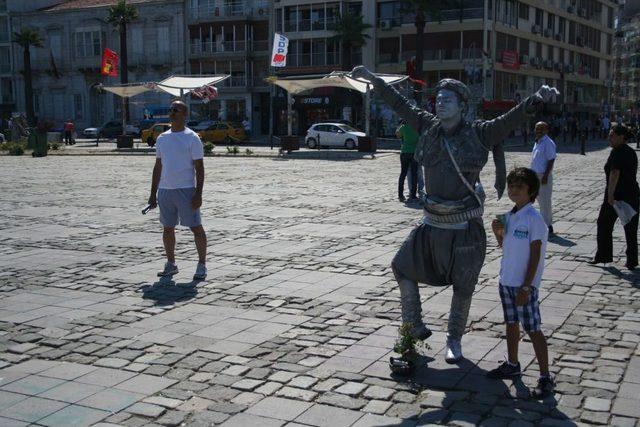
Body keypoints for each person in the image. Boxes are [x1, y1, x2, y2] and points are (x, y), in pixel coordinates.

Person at [352, 65, 558, 363]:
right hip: (431, 224)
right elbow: (400, 102)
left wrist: (535, 99)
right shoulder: (426, 126)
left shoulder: (480, 133)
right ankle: (414, 325)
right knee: (401, 267)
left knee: (463, 288)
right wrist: (374, 80)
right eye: (438, 98)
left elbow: (510, 119)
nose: (440, 102)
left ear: (463, 105)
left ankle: (454, 339)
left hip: (464, 229)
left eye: (448, 98)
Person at [488, 167, 554, 399]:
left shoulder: (534, 219)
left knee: (533, 328)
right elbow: (507, 247)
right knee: (511, 323)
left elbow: (535, 255)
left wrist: (527, 286)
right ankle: (513, 363)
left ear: (531, 191)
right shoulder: (511, 215)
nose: (514, 190)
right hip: (507, 280)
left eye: (519, 186)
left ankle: (546, 376)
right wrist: (498, 233)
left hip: (523, 284)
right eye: (511, 186)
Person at [148, 100, 208, 281]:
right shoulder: (162, 138)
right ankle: (171, 263)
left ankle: (201, 264)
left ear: (184, 114)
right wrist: (153, 194)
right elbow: (158, 166)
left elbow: (200, 168)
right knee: (168, 229)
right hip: (166, 190)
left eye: (176, 110)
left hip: (186, 190)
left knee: (196, 227)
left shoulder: (192, 138)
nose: (172, 113)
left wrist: (198, 194)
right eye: (170, 110)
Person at [589, 124, 640, 270]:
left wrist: (610, 195)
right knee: (630, 228)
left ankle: (603, 256)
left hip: (617, 197)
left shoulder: (618, 152)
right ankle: (631, 260)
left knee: (604, 224)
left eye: (612, 135)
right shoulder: (629, 151)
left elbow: (614, 174)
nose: (609, 138)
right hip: (631, 195)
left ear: (621, 137)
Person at [531, 122, 556, 236]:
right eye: (536, 128)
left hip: (543, 176)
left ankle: (548, 225)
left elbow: (551, 160)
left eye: (541, 129)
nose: (538, 131)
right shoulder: (537, 142)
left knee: (545, 202)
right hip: (535, 176)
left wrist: (546, 175)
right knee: (536, 200)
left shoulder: (548, 143)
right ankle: (539, 223)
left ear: (546, 130)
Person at [395, 119, 419, 203]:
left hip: (404, 152)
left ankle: (400, 195)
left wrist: (400, 126)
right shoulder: (417, 128)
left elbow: (397, 135)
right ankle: (413, 195)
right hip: (414, 153)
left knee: (403, 173)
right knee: (414, 174)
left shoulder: (403, 127)